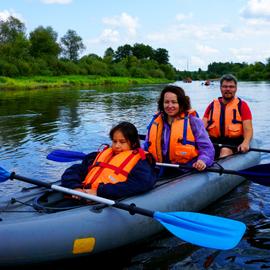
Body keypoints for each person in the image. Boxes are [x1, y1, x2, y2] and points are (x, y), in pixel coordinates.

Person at [61, 122, 157, 199]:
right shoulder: (98, 156)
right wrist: (75, 187)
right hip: (83, 193)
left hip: (101, 198)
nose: (117, 145)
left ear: (133, 143)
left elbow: (142, 183)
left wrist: (100, 192)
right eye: (114, 141)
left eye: (122, 142)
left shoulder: (140, 162)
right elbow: (75, 170)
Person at [144, 85, 214, 177]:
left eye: (174, 102)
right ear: (162, 103)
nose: (170, 106)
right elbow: (146, 146)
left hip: (185, 169)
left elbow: (207, 149)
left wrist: (202, 161)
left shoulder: (193, 122)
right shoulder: (156, 121)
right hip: (159, 168)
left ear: (181, 103)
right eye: (166, 102)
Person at [202, 74, 253, 158]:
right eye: (225, 86)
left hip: (233, 141)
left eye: (231, 87)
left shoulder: (242, 105)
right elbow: (202, 127)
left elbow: (248, 128)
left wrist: (246, 142)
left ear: (236, 89)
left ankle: (218, 169)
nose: (228, 89)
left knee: (225, 150)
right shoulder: (212, 105)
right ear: (220, 88)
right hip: (214, 141)